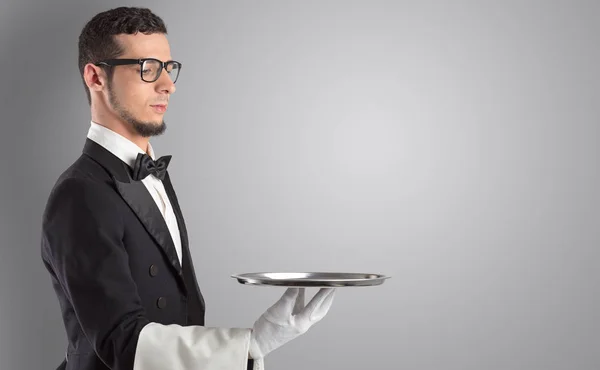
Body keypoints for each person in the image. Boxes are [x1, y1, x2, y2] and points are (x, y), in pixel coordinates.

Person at [40, 6, 336, 370]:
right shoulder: (80, 193)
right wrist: (250, 343)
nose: (168, 84)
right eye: (147, 68)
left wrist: (245, 351)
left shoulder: (153, 173)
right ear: (96, 78)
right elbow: (120, 340)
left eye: (168, 67)